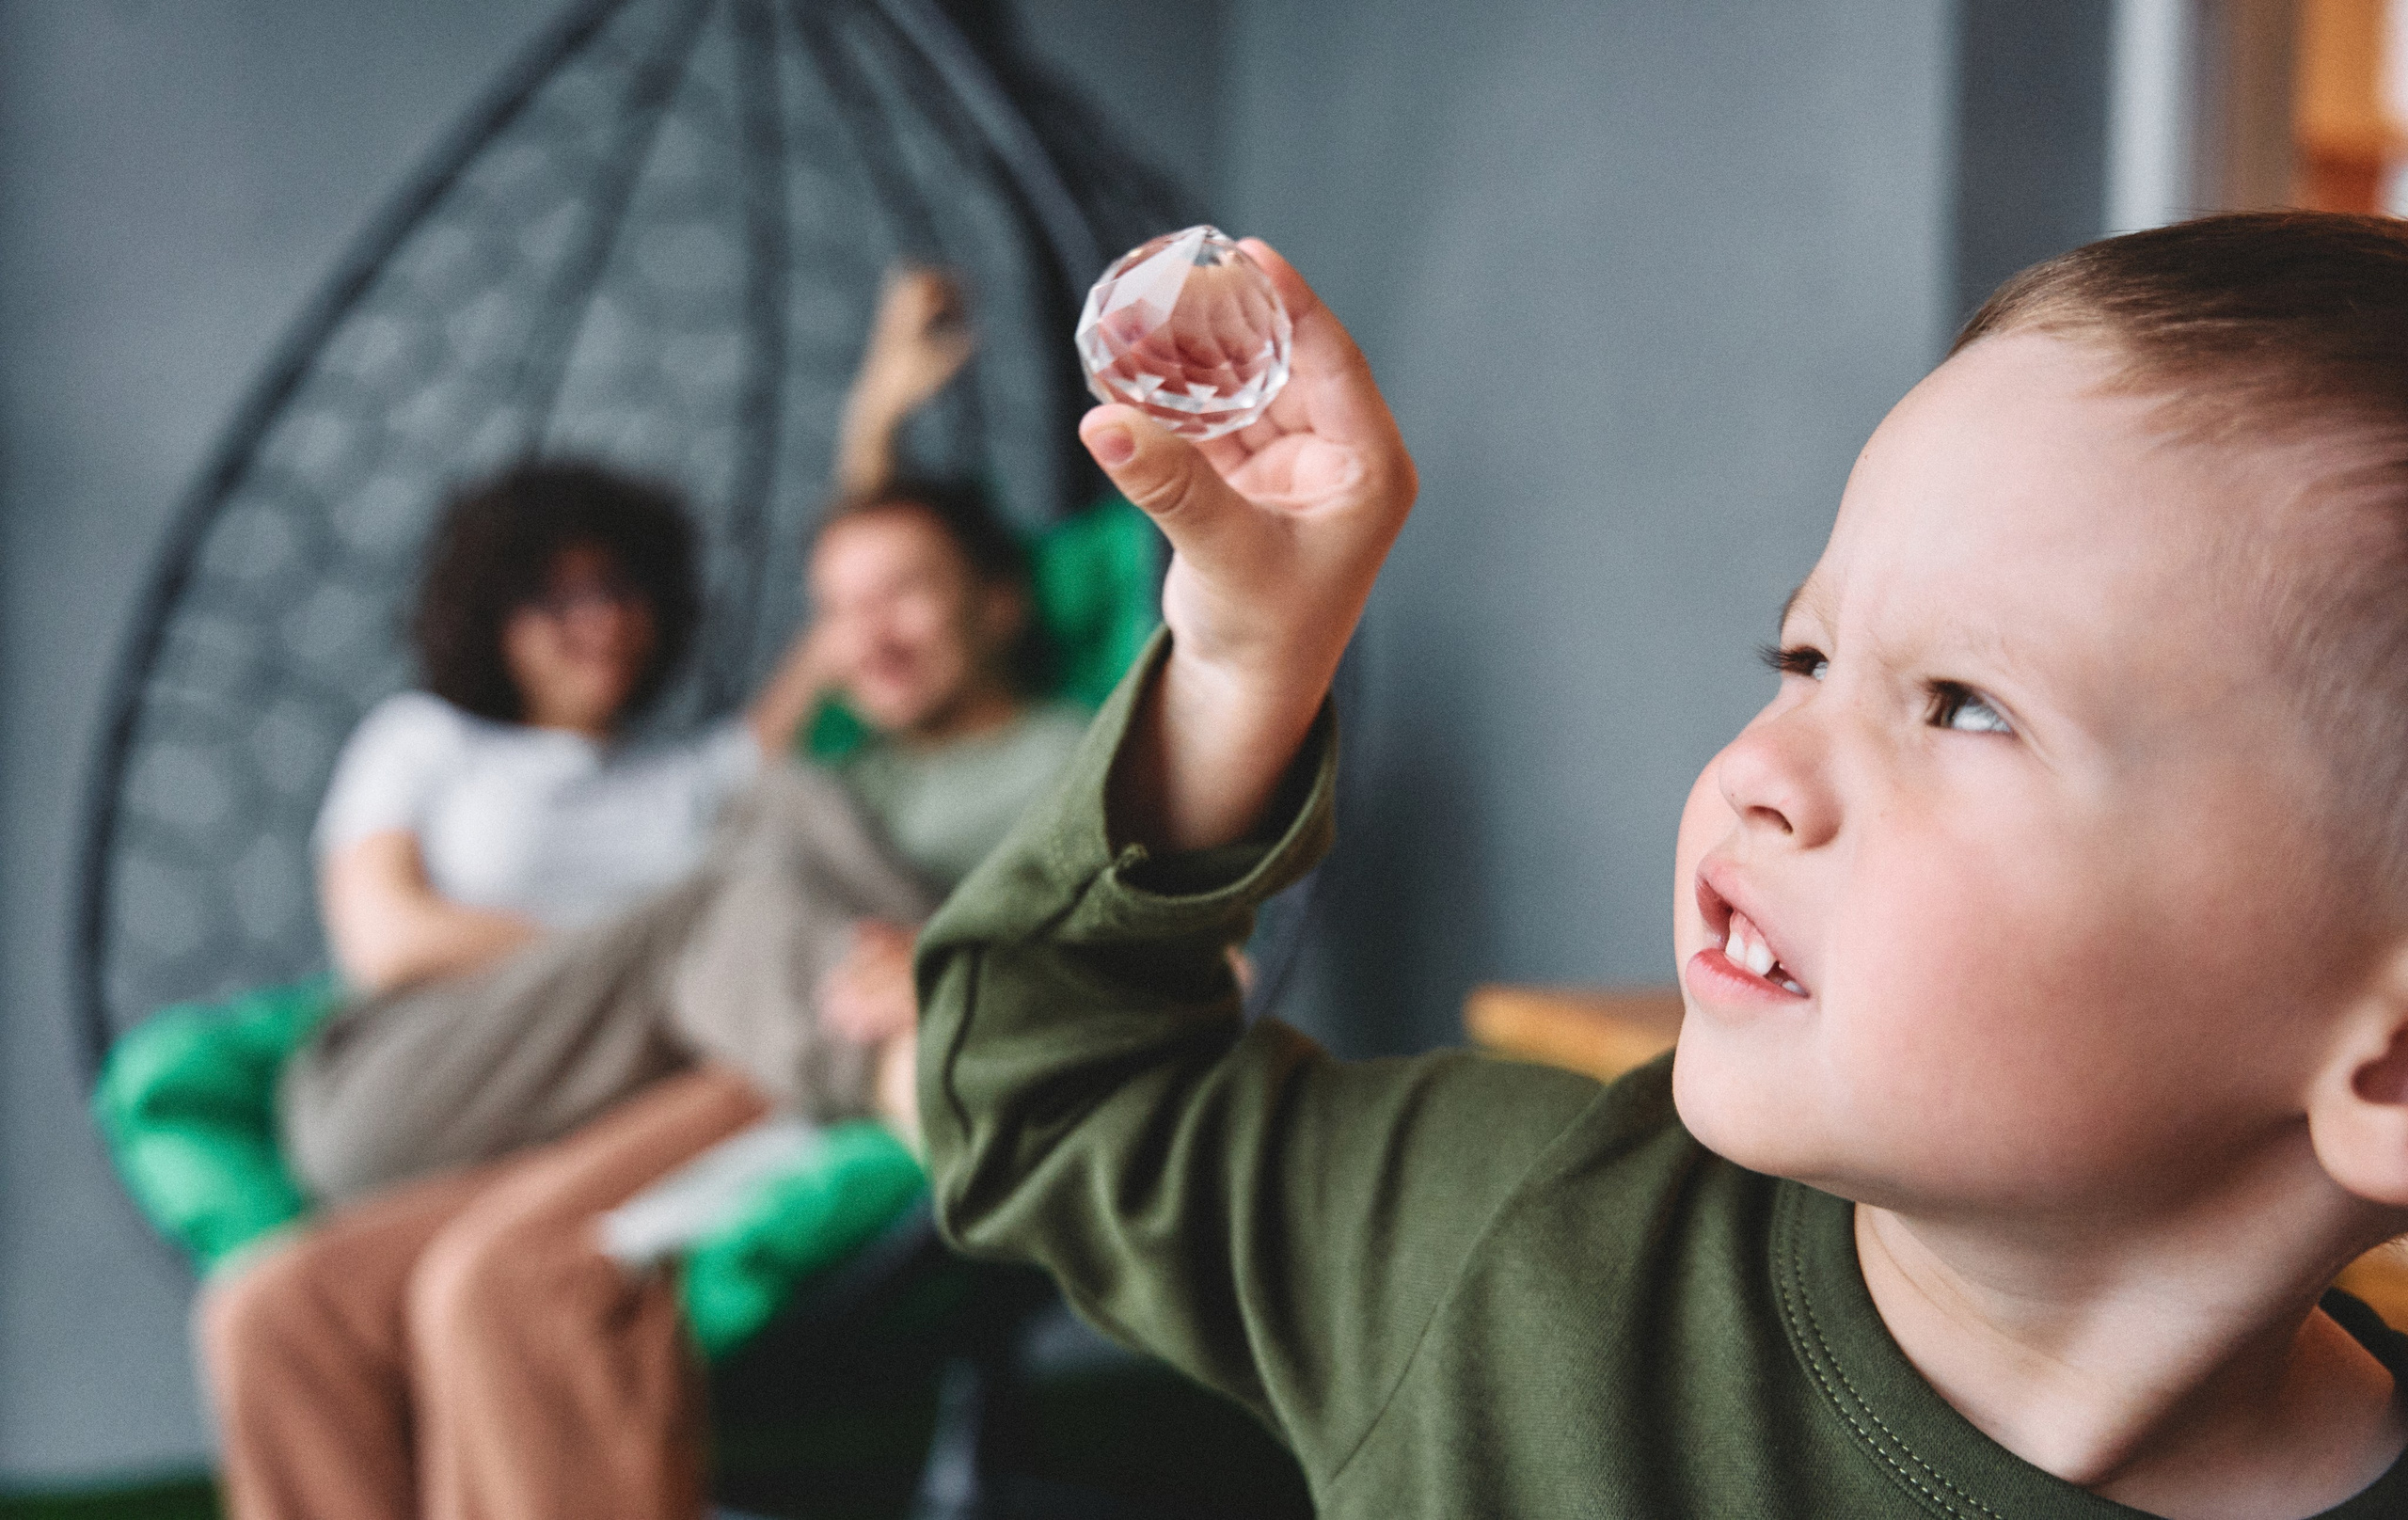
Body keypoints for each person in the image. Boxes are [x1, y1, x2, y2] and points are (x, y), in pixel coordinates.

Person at [916, 214, 2408, 1517]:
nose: (1759, 770)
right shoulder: (1520, 1247)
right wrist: (1243, 669)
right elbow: (1042, 1089)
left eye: (1964, 706)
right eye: (1804, 654)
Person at [198, 271, 1085, 1520]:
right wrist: (875, 428)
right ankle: (903, 1047)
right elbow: (388, 933)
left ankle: (935, 1061)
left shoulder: (1057, 761)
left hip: (777, 1041)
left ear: (999, 602)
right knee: (284, 1301)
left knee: (348, 1297)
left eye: (908, 598)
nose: (863, 635)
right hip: (633, 1032)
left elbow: (1148, 899)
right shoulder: (819, 768)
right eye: (839, 612)